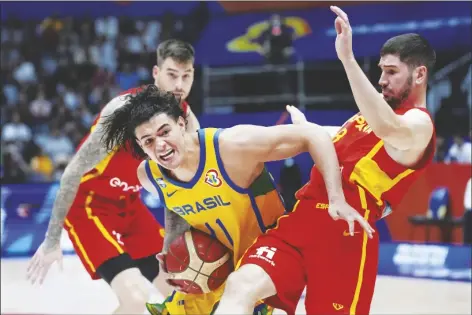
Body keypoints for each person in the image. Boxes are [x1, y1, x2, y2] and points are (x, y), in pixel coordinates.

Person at [214, 6, 437, 315]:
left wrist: (347, 58)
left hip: (345, 233)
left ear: (420, 74)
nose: (382, 80)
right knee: (241, 285)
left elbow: (388, 127)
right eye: (381, 71)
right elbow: (335, 136)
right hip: (303, 218)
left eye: (392, 72)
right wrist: (306, 128)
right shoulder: (368, 116)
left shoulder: (419, 124)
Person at [99, 84, 373, 315]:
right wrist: (172, 245)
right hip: (215, 267)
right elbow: (176, 206)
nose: (159, 145)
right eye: (147, 141)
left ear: (181, 124)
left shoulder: (231, 147)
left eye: (164, 132)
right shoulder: (149, 175)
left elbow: (311, 135)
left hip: (266, 260)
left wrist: (336, 196)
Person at [26, 39, 200, 314]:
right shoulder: (122, 112)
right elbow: (71, 173)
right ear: (156, 73)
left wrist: (174, 245)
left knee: (176, 288)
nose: (179, 85)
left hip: (129, 204)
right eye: (172, 75)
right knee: (137, 299)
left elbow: (180, 191)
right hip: (87, 206)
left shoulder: (187, 123)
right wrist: (51, 239)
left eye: (186, 76)